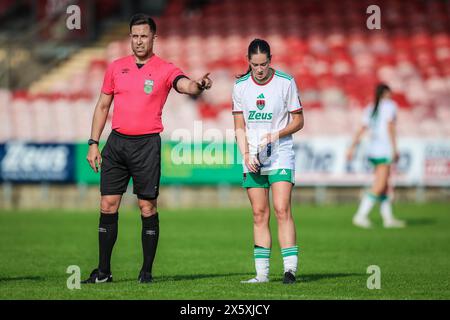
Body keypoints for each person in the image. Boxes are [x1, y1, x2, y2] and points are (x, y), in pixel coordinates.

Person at [82, 13, 212, 284]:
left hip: (147, 145)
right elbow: (103, 106)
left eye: (144, 36)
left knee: (147, 207)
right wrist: (93, 143)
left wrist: (197, 86)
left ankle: (146, 271)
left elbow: (184, 84)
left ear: (154, 38)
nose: (139, 41)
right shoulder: (116, 67)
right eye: (134, 36)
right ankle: (103, 272)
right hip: (116, 143)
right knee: (107, 204)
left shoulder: (164, 68)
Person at [232, 39, 304, 284]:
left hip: (280, 151)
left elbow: (298, 120)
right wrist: (246, 155)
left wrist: (277, 134)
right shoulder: (240, 86)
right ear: (248, 62)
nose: (260, 69)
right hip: (252, 155)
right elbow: (239, 126)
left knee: (282, 209)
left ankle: (289, 270)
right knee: (258, 213)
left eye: (263, 64)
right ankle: (262, 275)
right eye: (255, 65)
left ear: (270, 60)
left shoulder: (286, 82)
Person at [347, 83, 406, 229]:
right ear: (386, 93)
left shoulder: (371, 107)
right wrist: (394, 148)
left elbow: (362, 128)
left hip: (372, 149)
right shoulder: (390, 106)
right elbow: (390, 127)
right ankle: (360, 215)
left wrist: (352, 147)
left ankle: (388, 219)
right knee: (380, 185)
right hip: (384, 149)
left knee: (385, 185)